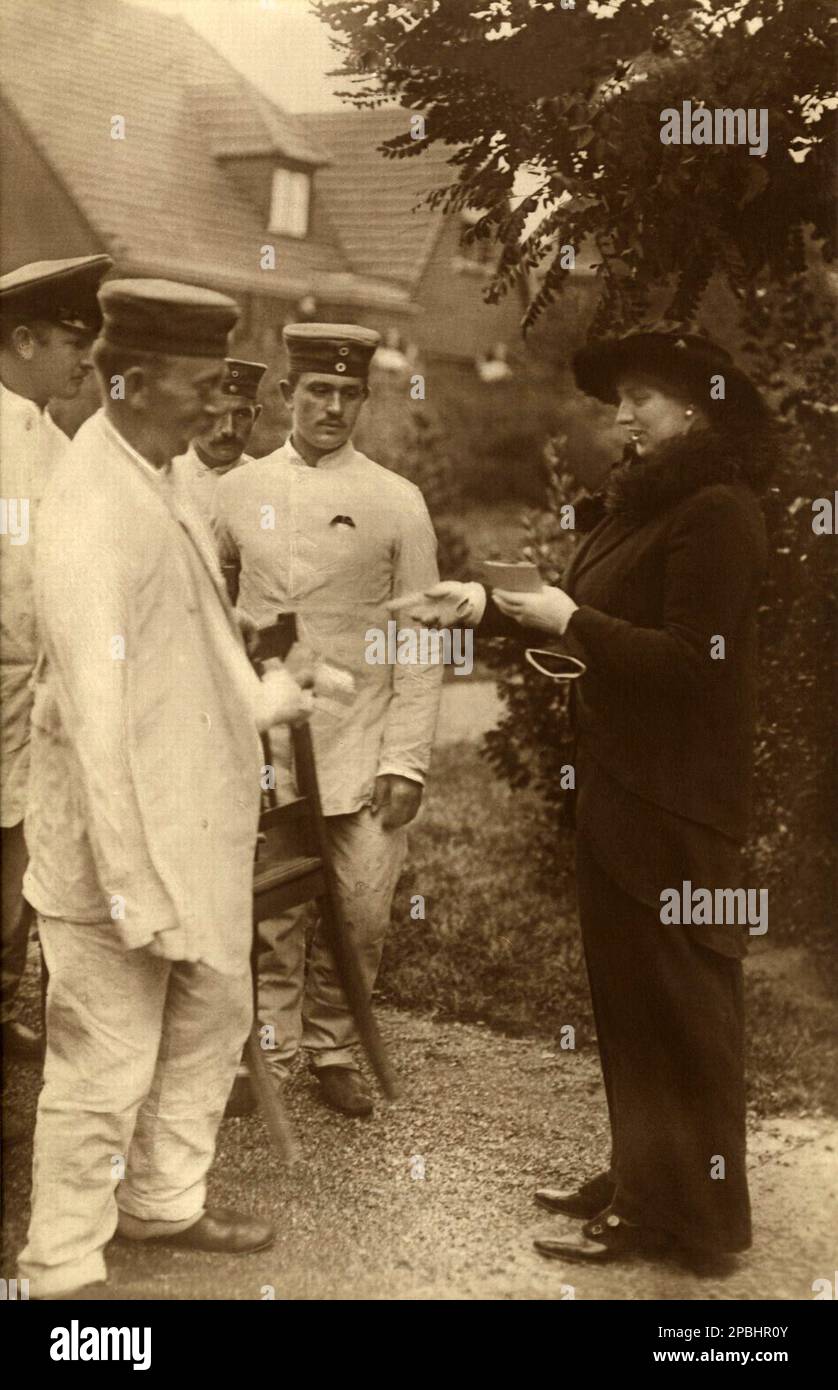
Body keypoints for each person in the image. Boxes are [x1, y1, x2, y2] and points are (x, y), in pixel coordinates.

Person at [400, 327, 773, 1267]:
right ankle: (647, 1176)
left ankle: (695, 1222)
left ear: (694, 407)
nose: (622, 416)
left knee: (684, 1006)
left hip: (680, 805)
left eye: (639, 399)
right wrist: (487, 610)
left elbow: (692, 665)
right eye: (619, 402)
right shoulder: (641, 507)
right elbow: (590, 633)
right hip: (623, 793)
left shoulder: (719, 512)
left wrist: (570, 618)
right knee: (632, 1000)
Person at [17, 278, 314, 1299]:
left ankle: (163, 1199)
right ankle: (59, 1264)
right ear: (131, 380)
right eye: (201, 387)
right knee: (104, 1057)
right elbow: (98, 718)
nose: (221, 412)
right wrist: (133, 882)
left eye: (227, 392)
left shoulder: (168, 472)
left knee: (214, 1014)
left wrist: (271, 696)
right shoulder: (89, 508)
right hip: (114, 841)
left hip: (198, 820)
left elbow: (199, 638)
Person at [213, 323, 443, 1117]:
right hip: (270, 734)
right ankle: (268, 1051)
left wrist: (406, 759)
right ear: (287, 395)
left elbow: (421, 634)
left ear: (365, 403)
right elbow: (208, 603)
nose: (333, 407)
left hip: (363, 737)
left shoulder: (396, 501)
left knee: (362, 908)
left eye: (349, 394)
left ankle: (335, 1046)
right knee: (271, 906)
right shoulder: (234, 493)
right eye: (318, 391)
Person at [0, 253, 111, 1067]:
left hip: (31, 692)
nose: (88, 358)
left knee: (20, 851)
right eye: (74, 341)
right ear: (24, 337)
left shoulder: (49, 436)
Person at [172, 356, 266, 532]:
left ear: (256, 416)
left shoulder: (267, 485)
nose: (228, 430)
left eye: (241, 415)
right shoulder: (166, 477)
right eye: (217, 414)